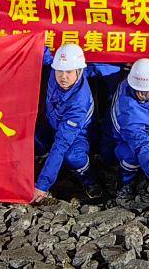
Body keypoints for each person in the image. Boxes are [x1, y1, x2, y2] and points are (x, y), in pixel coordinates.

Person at [32, 45, 120, 202]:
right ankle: (44, 159)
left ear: (79, 71)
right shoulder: (57, 69)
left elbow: (61, 143)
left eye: (69, 72)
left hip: (78, 134)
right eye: (60, 71)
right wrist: (35, 38)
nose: (63, 77)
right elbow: (45, 56)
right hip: (52, 124)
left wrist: (42, 186)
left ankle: (89, 179)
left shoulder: (79, 102)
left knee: (72, 156)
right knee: (26, 131)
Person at [111, 59, 149, 201]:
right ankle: (126, 181)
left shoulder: (132, 84)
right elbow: (142, 146)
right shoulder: (130, 116)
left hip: (147, 124)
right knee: (132, 155)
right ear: (141, 93)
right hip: (124, 141)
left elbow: (145, 77)